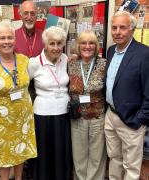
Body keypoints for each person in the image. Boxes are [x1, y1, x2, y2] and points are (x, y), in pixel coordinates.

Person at [0, 21, 37, 180]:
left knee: (20, 153)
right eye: (2, 38)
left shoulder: (24, 60)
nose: (6, 41)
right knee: (3, 158)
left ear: (14, 40)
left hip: (23, 119)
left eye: (10, 37)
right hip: (0, 122)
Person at [105, 10, 149, 180]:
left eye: (122, 28)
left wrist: (140, 119)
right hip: (111, 116)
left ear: (132, 29)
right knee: (114, 159)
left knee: (131, 166)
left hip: (131, 120)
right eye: (114, 27)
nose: (117, 32)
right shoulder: (110, 51)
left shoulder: (144, 54)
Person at [28, 26, 72, 180]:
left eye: (59, 43)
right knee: (44, 152)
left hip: (64, 113)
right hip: (42, 115)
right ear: (45, 45)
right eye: (52, 43)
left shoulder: (65, 59)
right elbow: (24, 85)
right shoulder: (34, 63)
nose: (56, 47)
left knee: (61, 151)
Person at [68, 30, 107, 180]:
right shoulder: (71, 65)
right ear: (78, 46)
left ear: (96, 46)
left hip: (97, 118)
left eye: (91, 43)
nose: (87, 46)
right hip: (77, 118)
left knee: (97, 158)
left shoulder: (104, 64)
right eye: (83, 43)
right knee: (79, 157)